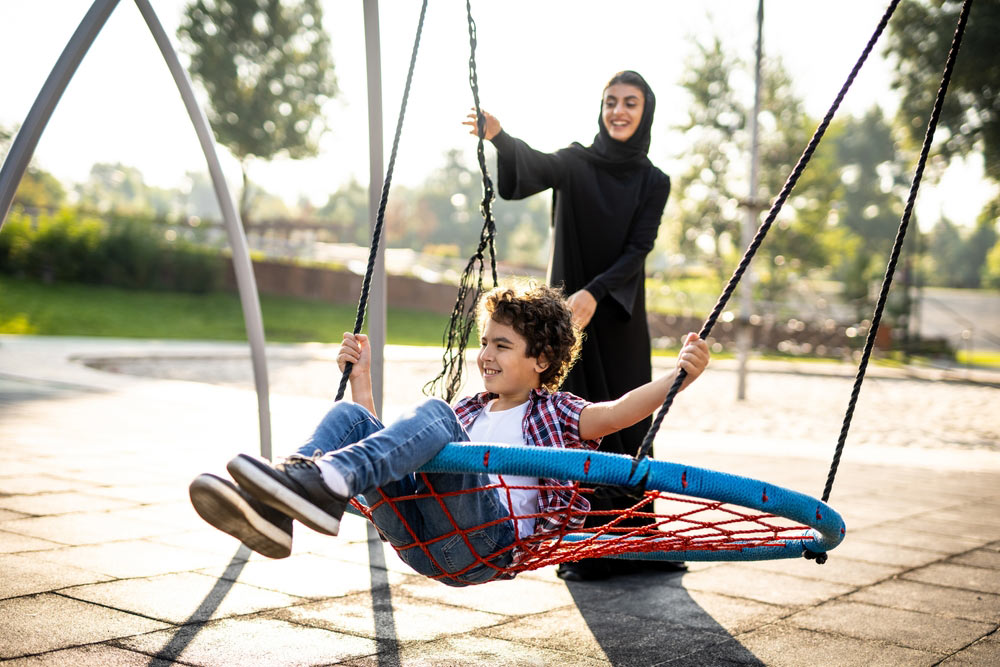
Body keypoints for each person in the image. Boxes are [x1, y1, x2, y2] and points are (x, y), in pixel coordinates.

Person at [189, 282, 709, 587]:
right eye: (485, 342)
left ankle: (315, 482)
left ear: (541, 360)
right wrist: (363, 380)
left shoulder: (557, 415)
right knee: (355, 423)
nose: (485, 355)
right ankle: (283, 505)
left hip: (485, 544)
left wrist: (678, 377)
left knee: (439, 418)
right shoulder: (470, 408)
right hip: (421, 537)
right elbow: (384, 453)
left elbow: (617, 413)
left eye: (502, 346)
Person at [464, 70, 672, 581]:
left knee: (627, 422)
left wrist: (595, 293)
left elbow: (638, 250)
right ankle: (583, 541)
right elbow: (531, 168)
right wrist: (499, 137)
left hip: (618, 316)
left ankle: (633, 535)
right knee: (573, 421)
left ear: (646, 112)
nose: (619, 111)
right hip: (564, 325)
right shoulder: (578, 161)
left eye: (630, 102)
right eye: (610, 101)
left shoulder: (654, 181)